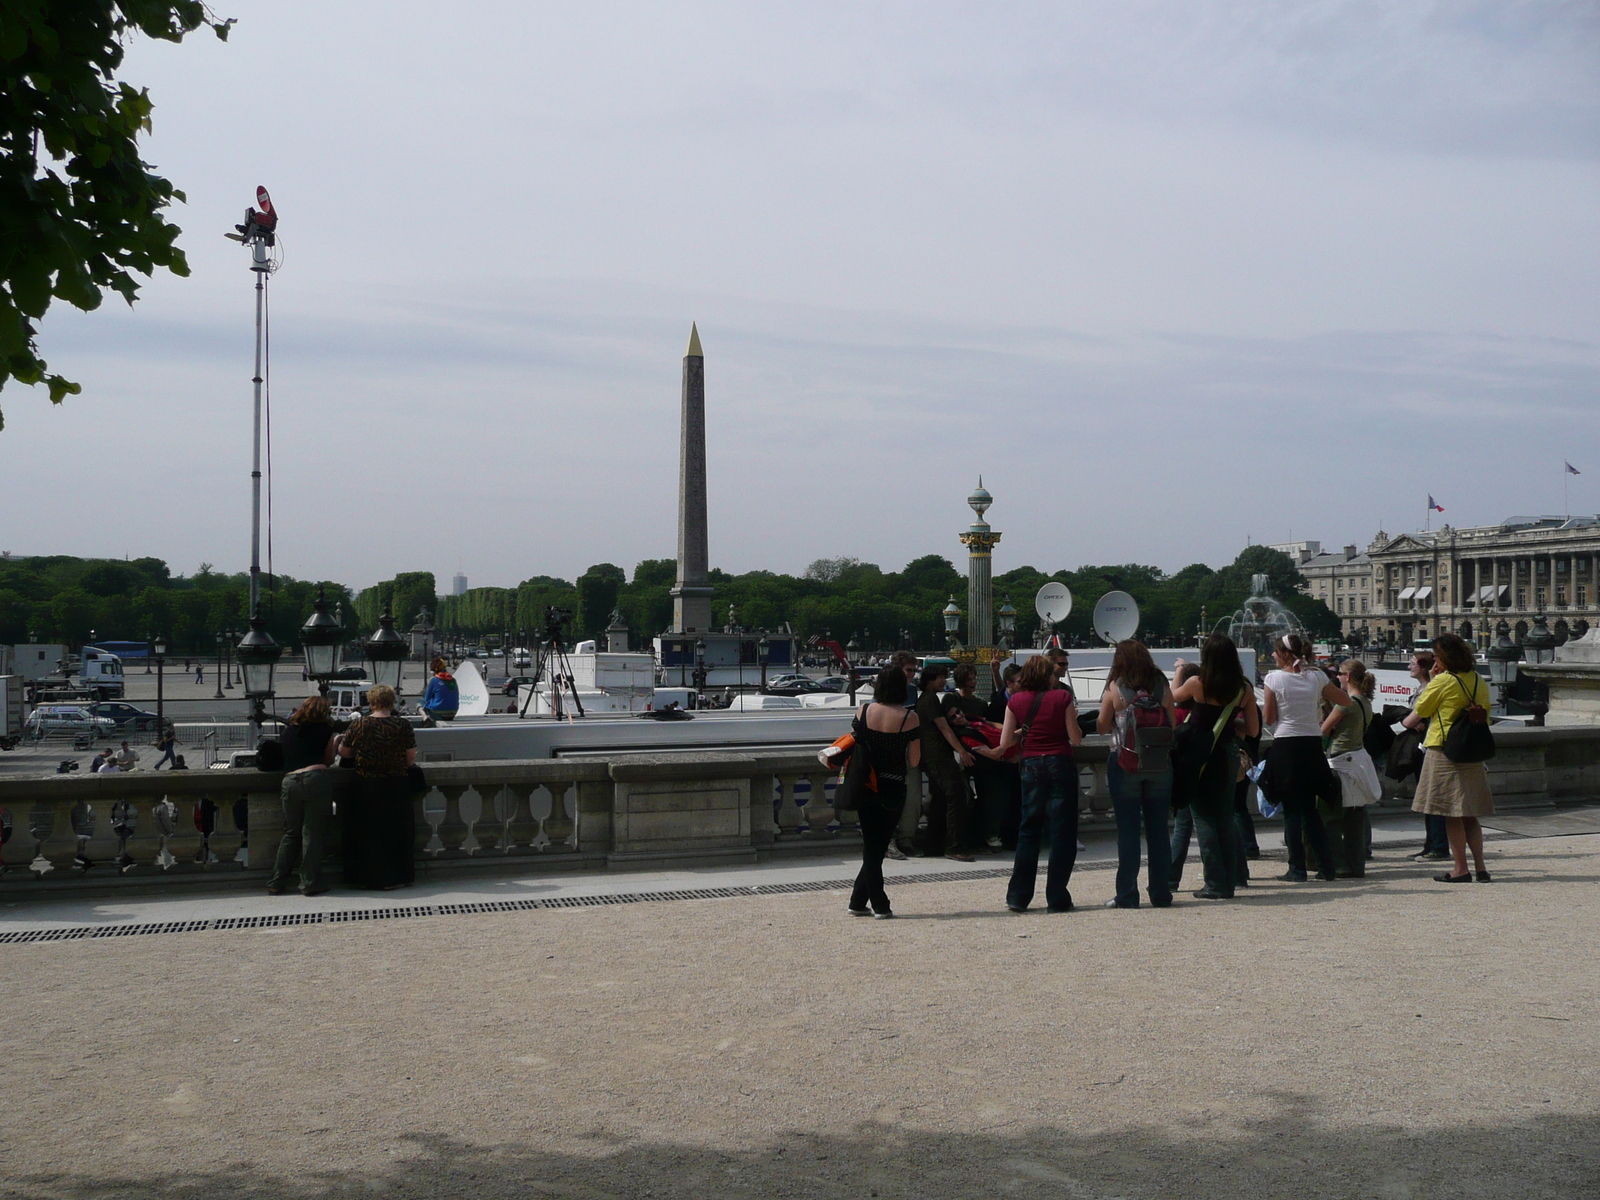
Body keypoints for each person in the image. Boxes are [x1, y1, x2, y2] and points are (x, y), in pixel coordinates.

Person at [1170, 635, 1261, 899]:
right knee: (1224, 818)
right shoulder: (1243, 689)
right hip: (1227, 755)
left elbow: (1172, 698)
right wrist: (1231, 724)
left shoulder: (1198, 683)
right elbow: (1254, 729)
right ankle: (1229, 882)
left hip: (1198, 756)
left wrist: (1178, 671)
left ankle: (1214, 883)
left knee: (1203, 819)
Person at [1404, 633, 1495, 883]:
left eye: (1436, 656)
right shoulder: (1477, 679)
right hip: (1472, 751)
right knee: (1470, 814)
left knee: (1451, 813)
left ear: (1443, 658)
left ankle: (1460, 869)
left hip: (1444, 750)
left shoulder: (1442, 680)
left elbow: (1420, 712)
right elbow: (1485, 714)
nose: (1434, 660)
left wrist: (1433, 680)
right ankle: (1481, 867)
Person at [998, 653, 1083, 913]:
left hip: (1032, 764)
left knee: (1028, 830)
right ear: (1047, 675)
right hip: (1060, 761)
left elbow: (1005, 743)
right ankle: (1057, 897)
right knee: (1062, 832)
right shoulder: (1062, 697)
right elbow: (1075, 739)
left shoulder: (1016, 700)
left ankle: (1018, 896)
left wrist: (1026, 731)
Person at [1260, 633, 1348, 884]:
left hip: (1286, 744)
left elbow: (1269, 718)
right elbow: (1345, 700)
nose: (1273, 656)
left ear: (1284, 654)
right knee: (1311, 811)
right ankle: (1326, 867)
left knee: (1291, 813)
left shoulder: (1274, 678)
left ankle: (1296, 869)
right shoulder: (1317, 676)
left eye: (1276, 652)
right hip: (1311, 744)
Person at [1096, 640, 1176, 908]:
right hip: (1160, 765)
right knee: (1159, 832)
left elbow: (1102, 727)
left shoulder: (1116, 686)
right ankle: (1161, 893)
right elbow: (1172, 723)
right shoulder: (1161, 684)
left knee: (1128, 833)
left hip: (1125, 762)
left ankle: (1128, 894)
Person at [848, 666, 922, 919]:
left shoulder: (864, 710)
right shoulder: (909, 717)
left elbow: (856, 742)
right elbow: (914, 760)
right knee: (876, 847)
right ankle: (880, 903)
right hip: (892, 785)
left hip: (866, 782)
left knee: (873, 845)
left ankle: (858, 901)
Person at [336, 684, 417, 890]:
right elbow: (410, 759)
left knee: (367, 832)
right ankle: (396, 877)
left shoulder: (359, 724)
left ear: (371, 702)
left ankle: (367, 877)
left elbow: (345, 753)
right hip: (396, 784)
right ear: (392, 701)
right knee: (395, 831)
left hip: (366, 784)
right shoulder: (403, 725)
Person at [267, 694, 338, 896]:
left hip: (290, 782)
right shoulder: (325, 730)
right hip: (315, 779)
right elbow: (328, 760)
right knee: (312, 834)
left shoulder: (288, 731)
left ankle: (276, 880)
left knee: (291, 833)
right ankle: (309, 882)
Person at [1320, 659, 1379, 877]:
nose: (1338, 677)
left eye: (1340, 674)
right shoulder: (1364, 701)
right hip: (1358, 759)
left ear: (1349, 677)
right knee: (1355, 816)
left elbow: (1323, 730)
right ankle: (1356, 864)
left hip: (1339, 760)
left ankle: (1338, 864)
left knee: (1332, 816)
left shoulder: (1346, 703)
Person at [916, 663, 975, 860]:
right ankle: (954, 846)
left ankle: (933, 845)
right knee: (955, 798)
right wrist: (961, 751)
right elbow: (944, 728)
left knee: (940, 801)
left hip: (931, 756)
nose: (943, 681)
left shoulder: (924, 699)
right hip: (939, 756)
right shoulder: (930, 700)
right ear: (930, 680)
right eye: (940, 677)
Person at [1400, 650, 1451, 861]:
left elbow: (1410, 721)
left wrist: (1406, 719)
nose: (1409, 667)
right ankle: (1431, 844)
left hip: (1429, 747)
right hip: (1424, 746)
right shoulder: (1422, 688)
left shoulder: (1429, 689)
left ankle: (1438, 845)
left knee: (1433, 799)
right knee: (1428, 799)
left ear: (1423, 667)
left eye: (1412, 664)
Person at [421, 657, 459, 723]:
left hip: (438, 712)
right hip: (453, 712)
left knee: (420, 702)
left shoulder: (434, 680)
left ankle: (425, 718)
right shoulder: (453, 680)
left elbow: (426, 698)